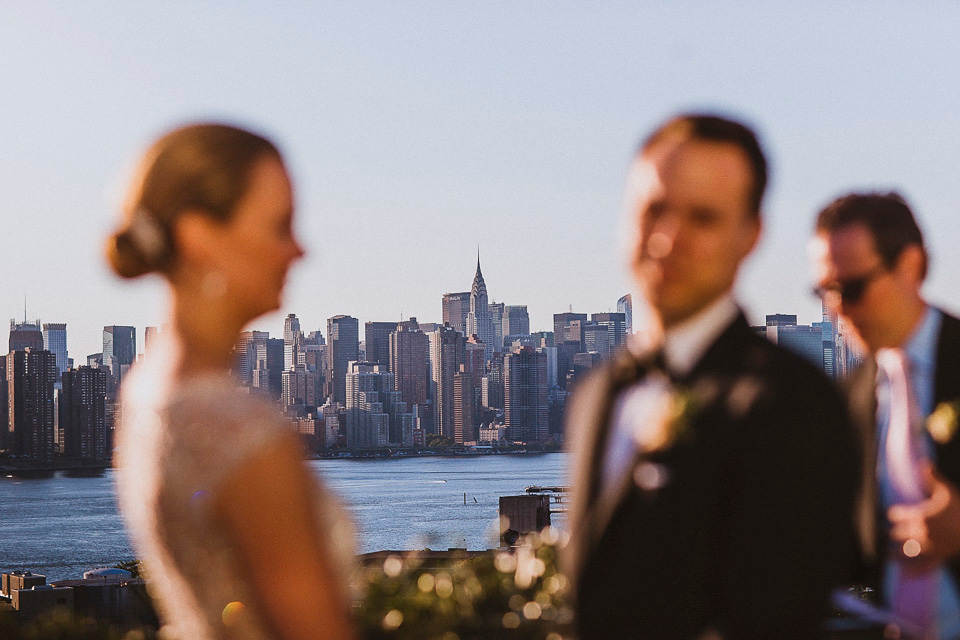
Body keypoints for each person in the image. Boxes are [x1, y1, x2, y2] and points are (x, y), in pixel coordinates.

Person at [564, 113, 859, 639]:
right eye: (653, 209)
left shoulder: (789, 403)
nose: (667, 239)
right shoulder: (596, 394)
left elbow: (774, 616)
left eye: (702, 217)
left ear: (750, 236)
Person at [108, 123, 356, 640]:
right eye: (279, 226)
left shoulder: (147, 388)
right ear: (201, 237)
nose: (298, 251)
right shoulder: (240, 431)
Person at [812, 192, 960, 639]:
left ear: (911, 266)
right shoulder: (847, 399)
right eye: (826, 292)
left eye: (852, 288)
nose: (837, 310)